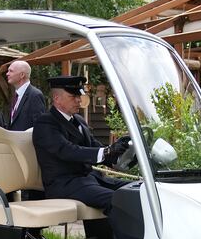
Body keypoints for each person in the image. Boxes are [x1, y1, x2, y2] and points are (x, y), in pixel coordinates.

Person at [32, 75, 130, 214]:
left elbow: (93, 146)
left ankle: (102, 236)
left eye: (79, 95)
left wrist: (120, 153)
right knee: (118, 200)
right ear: (57, 98)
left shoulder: (78, 120)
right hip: (65, 185)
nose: (79, 99)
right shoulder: (46, 123)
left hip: (90, 180)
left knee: (138, 189)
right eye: (73, 96)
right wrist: (106, 151)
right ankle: (119, 236)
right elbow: (67, 150)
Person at [6, 60, 46, 131]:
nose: (7, 74)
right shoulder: (16, 95)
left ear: (22, 75)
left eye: (11, 71)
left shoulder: (35, 95)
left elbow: (39, 126)